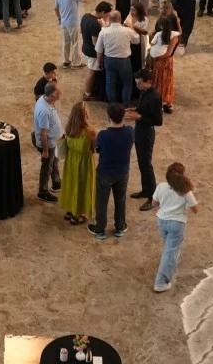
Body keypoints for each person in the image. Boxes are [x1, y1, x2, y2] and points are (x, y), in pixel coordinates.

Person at [150, 162, 199, 291]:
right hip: (177, 223)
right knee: (170, 252)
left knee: (168, 247)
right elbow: (195, 209)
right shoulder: (185, 191)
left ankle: (168, 264)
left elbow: (154, 204)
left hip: (161, 220)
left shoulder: (161, 186)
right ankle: (160, 283)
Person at [90, 101, 134, 240]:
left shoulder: (103, 135)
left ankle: (100, 229)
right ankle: (120, 226)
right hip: (123, 171)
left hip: (105, 172)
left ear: (109, 117)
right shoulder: (130, 131)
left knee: (102, 201)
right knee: (120, 198)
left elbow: (97, 149)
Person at [58, 101, 96, 226]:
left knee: (72, 183)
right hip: (84, 163)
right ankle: (77, 214)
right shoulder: (90, 131)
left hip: (71, 161)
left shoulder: (68, 129)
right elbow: (93, 148)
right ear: (84, 115)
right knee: (82, 186)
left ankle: (70, 209)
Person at [127, 69, 161, 207]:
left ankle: (152, 196)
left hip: (146, 133)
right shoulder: (144, 92)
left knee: (146, 164)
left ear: (148, 82)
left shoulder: (154, 97)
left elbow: (158, 120)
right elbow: (143, 108)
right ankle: (146, 190)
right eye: (136, 83)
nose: (137, 86)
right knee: (141, 163)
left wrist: (139, 116)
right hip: (140, 130)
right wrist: (135, 110)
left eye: (140, 83)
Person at [96, 10, 135, 107]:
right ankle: (126, 105)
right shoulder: (127, 31)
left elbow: (99, 49)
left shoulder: (104, 32)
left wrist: (99, 62)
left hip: (109, 60)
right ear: (120, 19)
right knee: (127, 83)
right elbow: (137, 40)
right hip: (124, 61)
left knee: (110, 83)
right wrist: (131, 27)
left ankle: (112, 105)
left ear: (109, 19)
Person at [33, 81, 62, 203]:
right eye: (59, 93)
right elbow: (43, 133)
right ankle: (43, 191)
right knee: (47, 168)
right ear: (52, 95)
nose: (61, 94)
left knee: (54, 162)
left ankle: (56, 183)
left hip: (53, 142)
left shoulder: (45, 99)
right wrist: (45, 151)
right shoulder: (44, 111)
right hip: (48, 145)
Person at [149, 13, 180, 113]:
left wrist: (155, 57)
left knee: (157, 80)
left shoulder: (157, 34)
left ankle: (157, 102)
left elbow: (152, 43)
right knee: (165, 81)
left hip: (158, 60)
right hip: (165, 61)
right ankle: (166, 102)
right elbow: (168, 53)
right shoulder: (174, 36)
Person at [55, 0, 86, 69]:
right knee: (75, 43)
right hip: (73, 22)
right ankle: (76, 63)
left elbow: (56, 8)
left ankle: (66, 61)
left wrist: (59, 19)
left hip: (64, 22)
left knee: (66, 42)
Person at [79, 1, 109, 97]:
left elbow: (81, 31)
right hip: (92, 52)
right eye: (107, 14)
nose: (107, 17)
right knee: (91, 72)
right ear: (103, 12)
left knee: (90, 70)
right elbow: (95, 42)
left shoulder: (85, 16)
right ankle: (87, 93)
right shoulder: (95, 23)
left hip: (84, 47)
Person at [125, 2, 150, 88]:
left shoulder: (144, 19)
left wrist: (133, 26)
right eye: (131, 9)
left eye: (134, 10)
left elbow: (145, 32)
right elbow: (125, 23)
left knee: (137, 60)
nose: (131, 12)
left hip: (139, 42)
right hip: (129, 41)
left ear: (139, 11)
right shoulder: (129, 16)